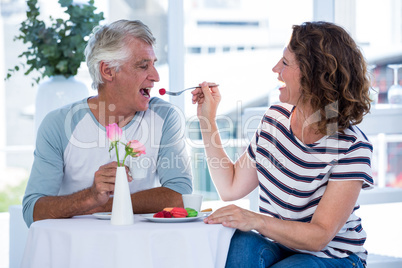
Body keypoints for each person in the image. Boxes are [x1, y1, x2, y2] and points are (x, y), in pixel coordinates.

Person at [191, 21, 373, 267]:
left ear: (314, 76)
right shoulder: (275, 119)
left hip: (334, 257)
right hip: (280, 246)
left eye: (285, 63)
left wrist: (256, 220)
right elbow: (230, 187)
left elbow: (319, 237)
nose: (276, 69)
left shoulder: (351, 146)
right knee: (240, 243)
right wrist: (206, 118)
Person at [23, 20, 192, 227]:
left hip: (141, 247)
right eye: (143, 65)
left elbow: (180, 194)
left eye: (154, 63)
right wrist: (90, 196)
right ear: (108, 70)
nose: (155, 77)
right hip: (77, 251)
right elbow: (33, 211)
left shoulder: (166, 117)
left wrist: (104, 205)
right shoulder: (59, 124)